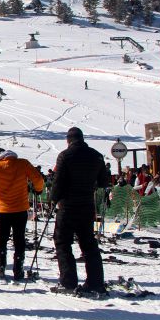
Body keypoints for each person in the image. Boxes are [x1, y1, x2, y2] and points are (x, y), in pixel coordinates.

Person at [49, 126, 109, 296]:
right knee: (88, 243)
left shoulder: (65, 156)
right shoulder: (96, 156)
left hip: (68, 206)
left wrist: (53, 199)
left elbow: (58, 182)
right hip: (87, 205)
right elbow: (104, 181)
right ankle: (95, 282)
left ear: (69, 140)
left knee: (62, 242)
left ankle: (68, 281)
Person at [0, 149, 45, 282]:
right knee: (19, 238)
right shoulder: (23, 164)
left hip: (3, 209)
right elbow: (38, 179)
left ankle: (1, 265)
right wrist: (38, 190)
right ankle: (18, 268)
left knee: (2, 237)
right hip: (20, 208)